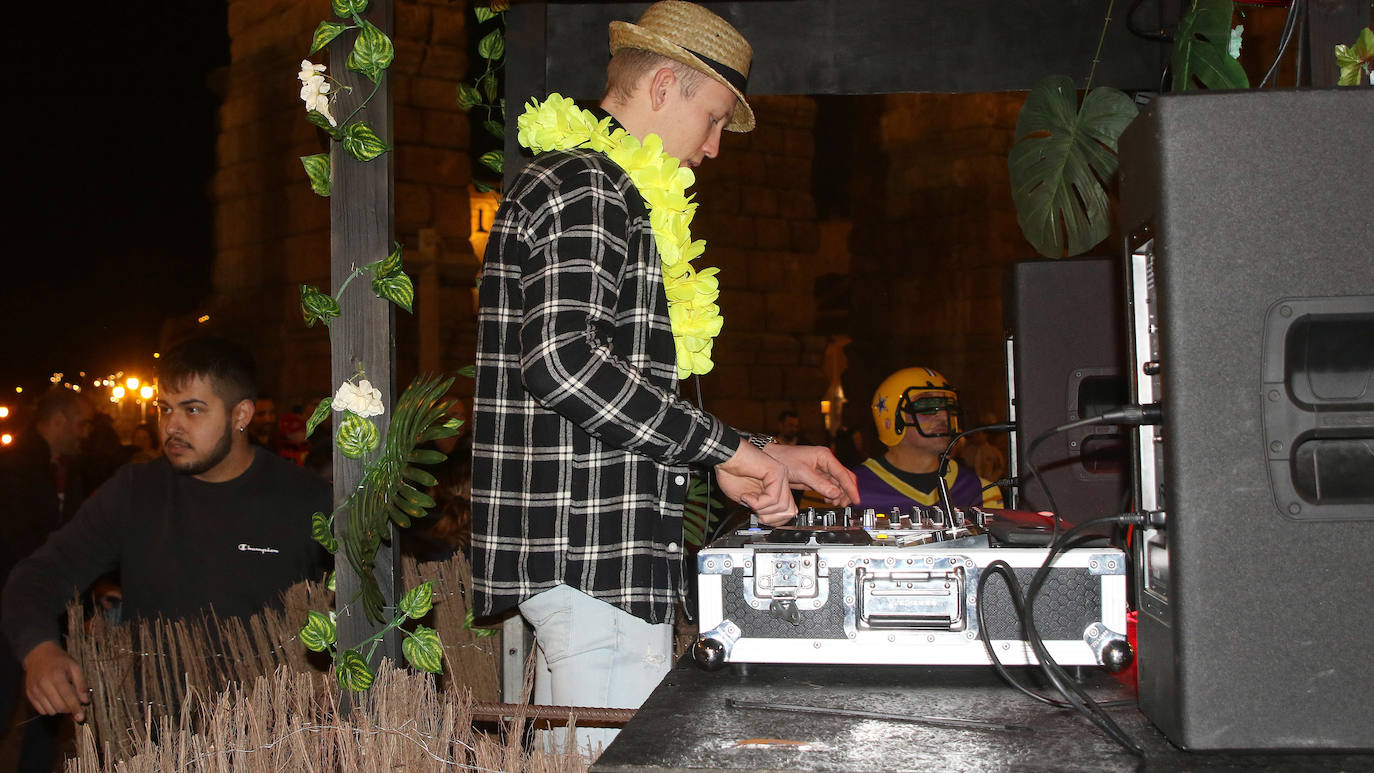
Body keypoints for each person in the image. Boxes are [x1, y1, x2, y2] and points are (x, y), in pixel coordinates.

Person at [470, 0, 858, 759]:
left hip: (593, 567)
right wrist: (725, 452)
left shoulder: (596, 187)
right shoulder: (589, 184)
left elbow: (606, 390)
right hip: (594, 563)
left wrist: (763, 453)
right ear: (662, 86)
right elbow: (564, 361)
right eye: (712, 118)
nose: (714, 149)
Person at [1, 336, 330, 725]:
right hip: (159, 736)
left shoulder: (306, 501)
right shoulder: (134, 492)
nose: (171, 425)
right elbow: (38, 576)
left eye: (192, 410)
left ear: (240, 415)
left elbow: (369, 598)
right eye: (164, 408)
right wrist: (40, 651)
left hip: (273, 736)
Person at [0, 387, 94, 772]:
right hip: (11, 610)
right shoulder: (12, 469)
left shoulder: (72, 469)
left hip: (51, 611)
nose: (86, 432)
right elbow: (25, 546)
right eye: (82, 423)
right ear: (59, 421)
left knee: (47, 711)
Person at [853, 367, 1003, 511]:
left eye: (948, 406)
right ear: (890, 419)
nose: (944, 417)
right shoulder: (850, 488)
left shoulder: (982, 491)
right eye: (927, 406)